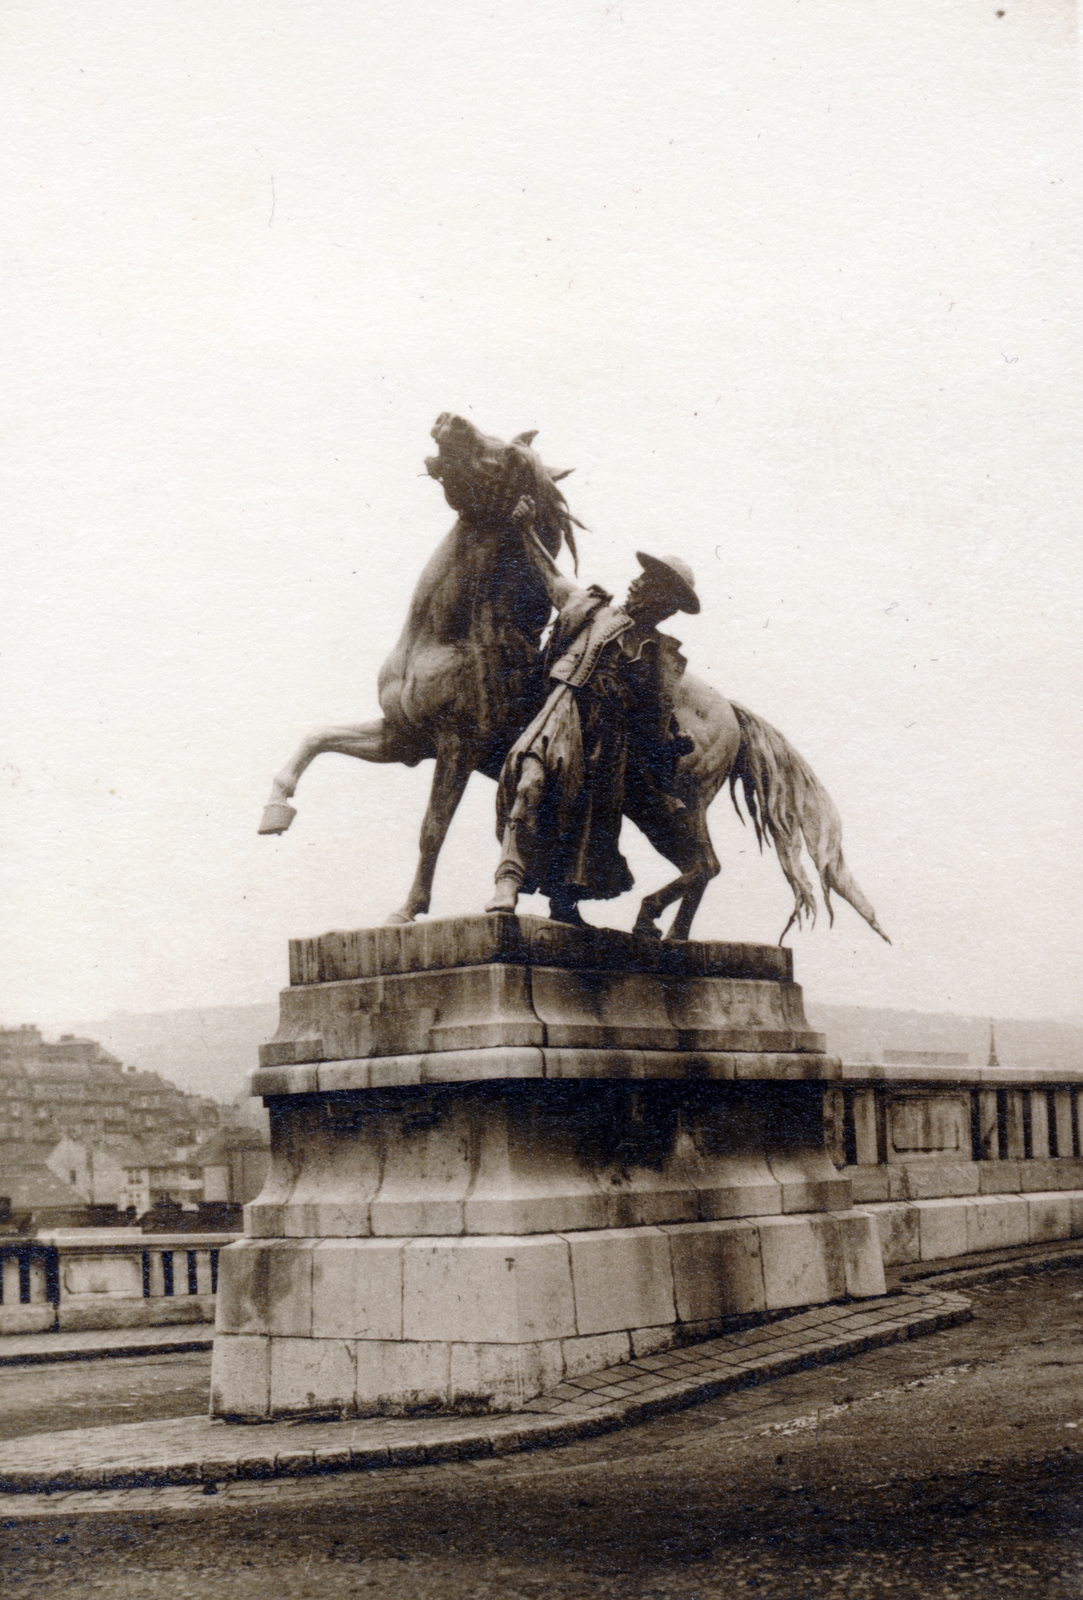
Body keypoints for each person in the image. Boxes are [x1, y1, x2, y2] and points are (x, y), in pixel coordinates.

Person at [486, 496, 699, 925]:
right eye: (642, 576)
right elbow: (550, 575)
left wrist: (671, 744)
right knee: (530, 781)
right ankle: (507, 881)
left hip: (608, 740)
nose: (638, 583)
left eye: (651, 582)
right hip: (563, 710)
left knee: (583, 824)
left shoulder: (660, 655)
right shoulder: (591, 608)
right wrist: (525, 528)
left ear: (666, 602)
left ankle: (564, 903)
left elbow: (653, 719)